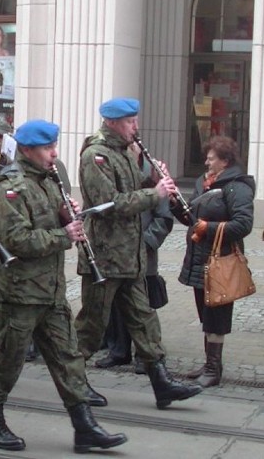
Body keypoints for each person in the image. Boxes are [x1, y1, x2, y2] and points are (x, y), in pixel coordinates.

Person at [0, 119, 128, 453]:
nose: (54, 154)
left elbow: (47, 221)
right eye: (47, 148)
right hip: (19, 294)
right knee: (7, 361)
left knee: (68, 358)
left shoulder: (47, 180)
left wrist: (65, 214)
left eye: (54, 147)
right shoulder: (9, 189)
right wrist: (65, 235)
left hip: (50, 291)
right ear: (28, 150)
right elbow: (17, 240)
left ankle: (85, 426)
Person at [75, 97, 203, 409]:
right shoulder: (96, 155)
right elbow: (109, 203)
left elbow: (136, 188)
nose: (136, 127)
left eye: (135, 120)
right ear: (113, 123)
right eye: (130, 122)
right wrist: (153, 193)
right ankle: (73, 381)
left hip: (130, 256)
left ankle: (161, 383)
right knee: (92, 325)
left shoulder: (124, 152)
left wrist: (155, 178)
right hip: (104, 257)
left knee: (144, 321)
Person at [178, 135, 255, 388]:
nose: (207, 162)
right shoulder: (204, 182)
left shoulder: (237, 187)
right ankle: (210, 364)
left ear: (225, 161)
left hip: (221, 262)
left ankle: (213, 369)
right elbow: (190, 216)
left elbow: (243, 224)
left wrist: (208, 227)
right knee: (205, 314)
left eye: (211, 158)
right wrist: (173, 204)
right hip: (200, 260)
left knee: (217, 315)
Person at [96, 145, 173, 374]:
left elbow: (164, 218)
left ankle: (144, 355)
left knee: (144, 306)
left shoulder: (154, 173)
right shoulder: (116, 172)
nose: (128, 152)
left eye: (131, 148)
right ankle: (119, 350)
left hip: (143, 254)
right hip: (119, 253)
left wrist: (145, 242)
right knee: (119, 304)